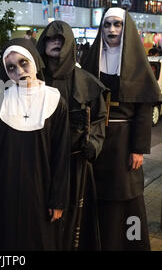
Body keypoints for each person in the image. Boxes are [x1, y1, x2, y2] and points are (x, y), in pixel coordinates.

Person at [81, 7, 162, 251]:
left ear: (125, 27)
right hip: (96, 139)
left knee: (125, 196)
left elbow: (144, 109)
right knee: (96, 195)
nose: (112, 30)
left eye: (117, 24)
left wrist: (138, 149)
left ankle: (128, 244)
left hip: (124, 142)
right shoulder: (91, 59)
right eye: (107, 25)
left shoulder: (138, 65)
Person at [0, 38, 70, 251]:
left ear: (35, 61)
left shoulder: (56, 101)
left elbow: (61, 155)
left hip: (41, 192)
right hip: (5, 192)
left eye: (23, 63)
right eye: (11, 67)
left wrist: (58, 199)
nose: (19, 71)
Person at [36, 20, 108, 251]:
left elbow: (98, 121)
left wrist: (94, 145)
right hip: (39, 164)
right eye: (50, 38)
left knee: (73, 224)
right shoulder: (31, 77)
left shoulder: (87, 83)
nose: (56, 42)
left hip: (74, 165)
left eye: (62, 38)